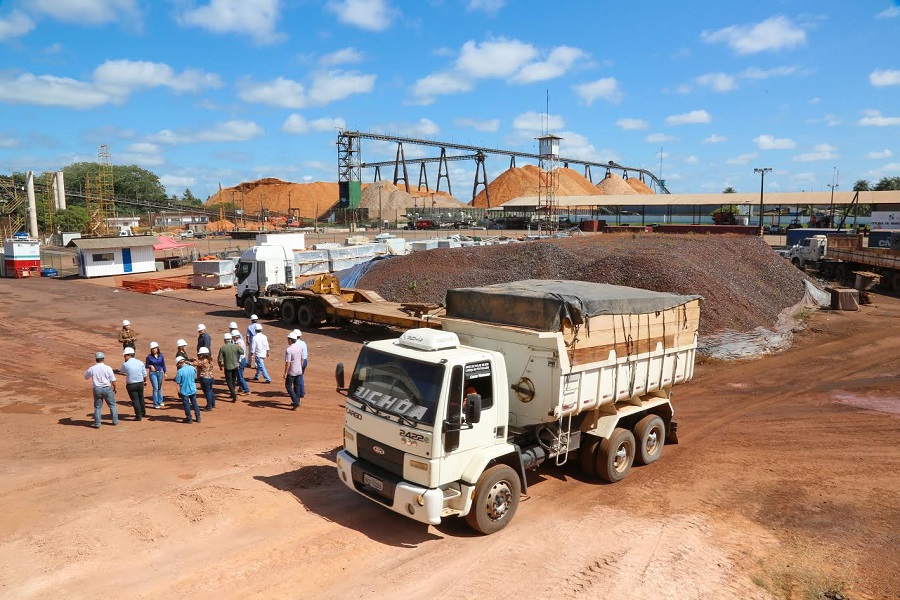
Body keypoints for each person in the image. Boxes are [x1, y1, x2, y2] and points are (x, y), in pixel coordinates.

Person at [84, 351, 118, 429]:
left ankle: (97, 423)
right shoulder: (108, 368)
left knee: (97, 407)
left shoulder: (92, 368)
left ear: (96, 359)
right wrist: (115, 388)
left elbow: (86, 377)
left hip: (97, 389)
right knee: (112, 405)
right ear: (103, 359)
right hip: (107, 388)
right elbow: (113, 379)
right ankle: (115, 421)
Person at [120, 347, 148, 421]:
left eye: (125, 355)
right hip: (140, 383)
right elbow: (145, 374)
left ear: (128, 355)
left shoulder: (126, 364)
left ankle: (138, 415)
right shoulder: (140, 362)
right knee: (141, 397)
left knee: (135, 400)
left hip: (131, 384)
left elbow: (121, 371)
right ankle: (143, 412)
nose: (124, 357)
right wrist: (145, 381)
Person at [217, 331, 243, 401]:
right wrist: (239, 347)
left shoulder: (223, 348)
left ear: (224, 340)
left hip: (227, 367)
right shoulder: (235, 346)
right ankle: (232, 394)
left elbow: (219, 359)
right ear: (230, 339)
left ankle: (233, 394)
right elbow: (242, 352)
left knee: (229, 382)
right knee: (234, 380)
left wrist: (220, 365)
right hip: (235, 366)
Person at [174, 356, 200, 424]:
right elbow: (194, 376)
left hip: (184, 390)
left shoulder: (180, 371)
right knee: (194, 403)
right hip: (193, 389)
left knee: (186, 405)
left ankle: (189, 419)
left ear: (179, 363)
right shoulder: (192, 368)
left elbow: (178, 381)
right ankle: (198, 417)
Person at [284, 330, 304, 410]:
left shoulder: (289, 349)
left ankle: (296, 402)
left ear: (290, 340)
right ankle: (297, 401)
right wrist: (300, 366)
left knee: (288, 386)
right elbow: (302, 358)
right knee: (297, 386)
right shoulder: (300, 348)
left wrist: (285, 372)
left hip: (291, 371)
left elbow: (288, 362)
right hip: (298, 370)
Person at [145, 341, 167, 408]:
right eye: (153, 349)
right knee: (155, 388)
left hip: (160, 372)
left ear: (157, 348)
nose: (154, 350)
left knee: (160, 387)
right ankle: (155, 403)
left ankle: (160, 401)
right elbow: (146, 365)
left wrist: (165, 372)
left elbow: (163, 364)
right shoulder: (149, 357)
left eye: (155, 348)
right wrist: (150, 366)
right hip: (153, 374)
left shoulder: (161, 356)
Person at [231, 329, 251, 395]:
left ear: (236, 337)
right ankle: (241, 388)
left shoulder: (238, 343)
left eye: (233, 337)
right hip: (242, 360)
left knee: (240, 377)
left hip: (240, 361)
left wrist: (238, 363)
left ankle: (247, 390)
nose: (232, 338)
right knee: (240, 375)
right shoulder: (241, 341)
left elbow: (239, 354)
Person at [291, 329, 308, 401]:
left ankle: (300, 393)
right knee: (300, 377)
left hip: (299, 362)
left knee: (298, 378)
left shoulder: (295, 344)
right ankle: (301, 391)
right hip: (305, 361)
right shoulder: (303, 343)